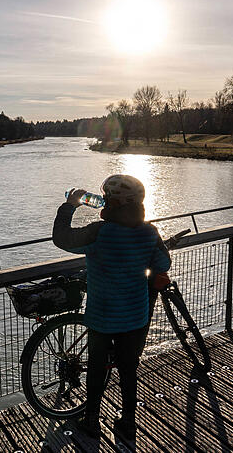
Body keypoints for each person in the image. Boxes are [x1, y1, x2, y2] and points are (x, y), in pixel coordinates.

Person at [52, 174, 171, 442]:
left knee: (97, 368)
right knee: (128, 370)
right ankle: (128, 423)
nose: (104, 201)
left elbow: (61, 238)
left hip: (102, 316)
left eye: (107, 198)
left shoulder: (99, 232)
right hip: (135, 316)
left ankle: (92, 421)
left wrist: (70, 205)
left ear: (115, 202)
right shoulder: (149, 232)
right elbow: (163, 264)